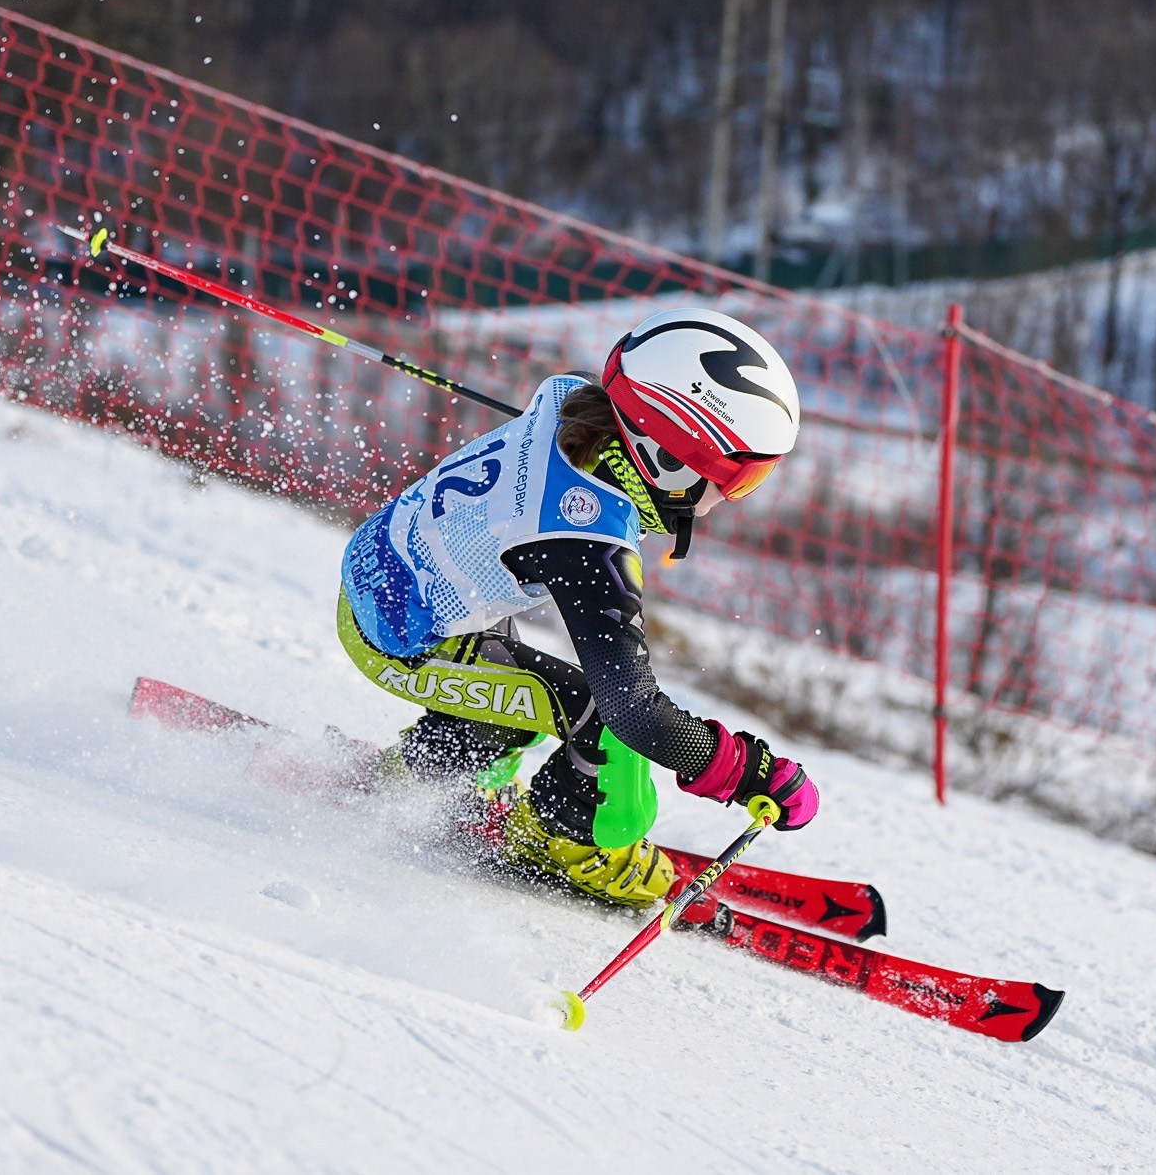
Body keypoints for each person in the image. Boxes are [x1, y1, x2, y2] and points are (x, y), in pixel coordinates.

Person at [335, 307, 820, 907]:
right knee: (601, 718)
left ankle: (425, 776)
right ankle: (573, 843)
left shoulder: (571, 405)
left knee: (517, 686)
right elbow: (636, 712)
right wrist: (744, 770)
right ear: (668, 458)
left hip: (388, 575)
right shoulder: (586, 540)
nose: (732, 500)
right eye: (737, 480)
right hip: (397, 638)